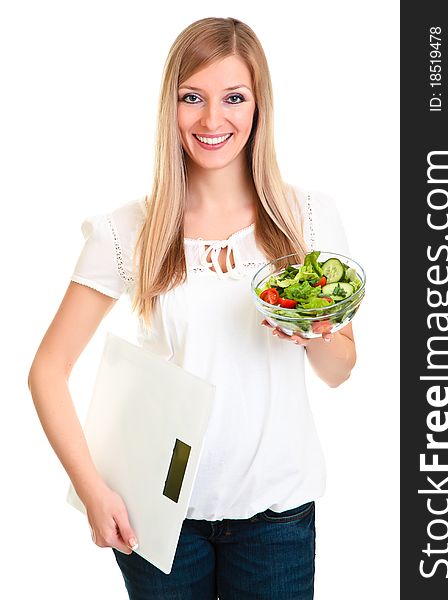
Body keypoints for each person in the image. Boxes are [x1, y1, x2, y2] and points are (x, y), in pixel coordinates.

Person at [28, 16, 356, 600]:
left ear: (258, 107)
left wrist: (312, 331)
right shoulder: (130, 231)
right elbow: (47, 371)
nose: (212, 119)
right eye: (192, 98)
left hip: (275, 524)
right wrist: (94, 491)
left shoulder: (304, 218)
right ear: (170, 107)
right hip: (159, 520)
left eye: (233, 97)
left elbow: (340, 369)